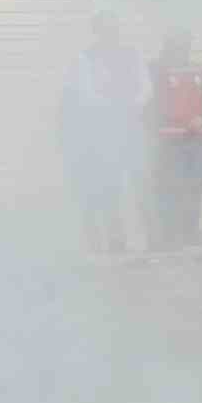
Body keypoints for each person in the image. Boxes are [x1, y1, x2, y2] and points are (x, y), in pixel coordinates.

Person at [62, 13, 150, 252]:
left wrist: (132, 104)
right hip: (104, 129)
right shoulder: (85, 59)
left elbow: (145, 87)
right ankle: (116, 238)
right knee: (110, 184)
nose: (112, 34)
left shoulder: (133, 54)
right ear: (97, 32)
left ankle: (149, 236)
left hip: (131, 125)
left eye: (114, 29)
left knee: (140, 180)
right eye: (106, 30)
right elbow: (86, 93)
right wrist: (112, 106)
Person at [149, 27, 202, 249]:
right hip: (171, 138)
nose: (184, 47)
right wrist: (184, 120)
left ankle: (191, 229)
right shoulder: (157, 68)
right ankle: (170, 233)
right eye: (180, 42)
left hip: (196, 137)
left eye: (187, 42)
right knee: (172, 186)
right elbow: (156, 102)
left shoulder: (196, 69)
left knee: (194, 186)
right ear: (169, 43)